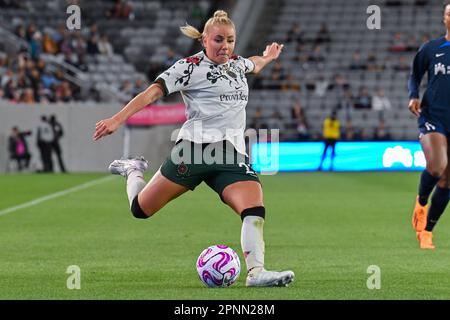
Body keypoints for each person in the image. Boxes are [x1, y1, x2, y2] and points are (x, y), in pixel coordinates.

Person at [93, 10, 295, 287]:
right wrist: (117, 119)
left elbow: (254, 64)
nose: (225, 46)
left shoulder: (237, 65)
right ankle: (133, 170)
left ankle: (256, 272)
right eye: (218, 40)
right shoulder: (188, 67)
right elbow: (152, 92)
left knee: (254, 208)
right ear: (204, 41)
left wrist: (268, 56)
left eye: (231, 40)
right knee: (141, 209)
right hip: (194, 151)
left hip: (230, 154)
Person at [409, 1, 450, 250]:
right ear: (444, 18)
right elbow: (415, 74)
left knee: (448, 181)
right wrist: (413, 95)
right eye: (449, 13)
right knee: (436, 167)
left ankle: (427, 232)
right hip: (433, 115)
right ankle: (421, 202)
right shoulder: (432, 48)